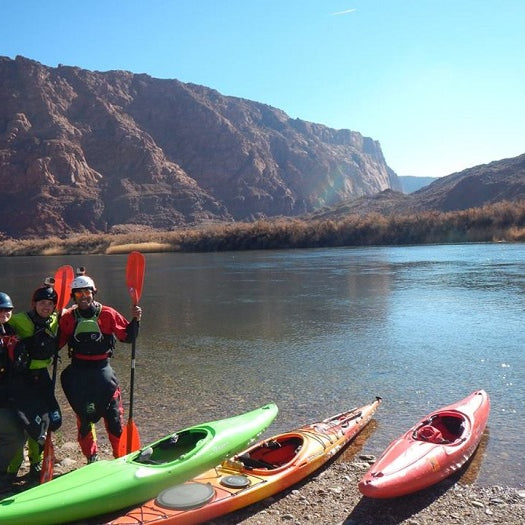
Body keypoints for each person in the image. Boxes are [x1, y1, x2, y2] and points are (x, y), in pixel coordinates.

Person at [59, 268, 142, 463]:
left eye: (87, 292)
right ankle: (91, 457)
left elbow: (127, 337)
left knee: (113, 417)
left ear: (93, 293)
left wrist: (136, 319)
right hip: (78, 372)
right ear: (73, 296)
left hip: (102, 371)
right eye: (79, 293)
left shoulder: (108, 313)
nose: (83, 297)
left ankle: (120, 457)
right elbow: (56, 344)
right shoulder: (68, 318)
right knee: (84, 417)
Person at [7, 282, 62, 481]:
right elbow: (4, 321)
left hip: (43, 377)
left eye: (50, 303)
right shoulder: (20, 320)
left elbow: (71, 312)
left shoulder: (56, 318)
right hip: (22, 379)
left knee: (45, 421)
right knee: (24, 422)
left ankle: (36, 461)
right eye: (42, 303)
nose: (46, 306)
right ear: (34, 303)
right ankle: (12, 468)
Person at [0, 292, 25, 493]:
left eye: (7, 309)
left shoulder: (10, 330)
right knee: (14, 437)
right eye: (0, 310)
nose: (4, 313)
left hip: (10, 394)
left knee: (19, 435)